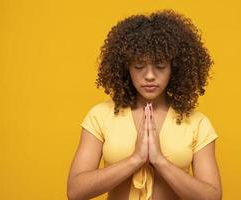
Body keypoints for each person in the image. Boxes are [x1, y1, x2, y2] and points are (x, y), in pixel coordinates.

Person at [67, 9, 222, 200]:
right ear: (126, 67)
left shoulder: (198, 123)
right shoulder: (100, 115)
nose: (149, 76)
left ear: (175, 68)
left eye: (160, 66)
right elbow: (75, 191)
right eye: (139, 66)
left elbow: (212, 196)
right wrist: (136, 159)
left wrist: (159, 161)